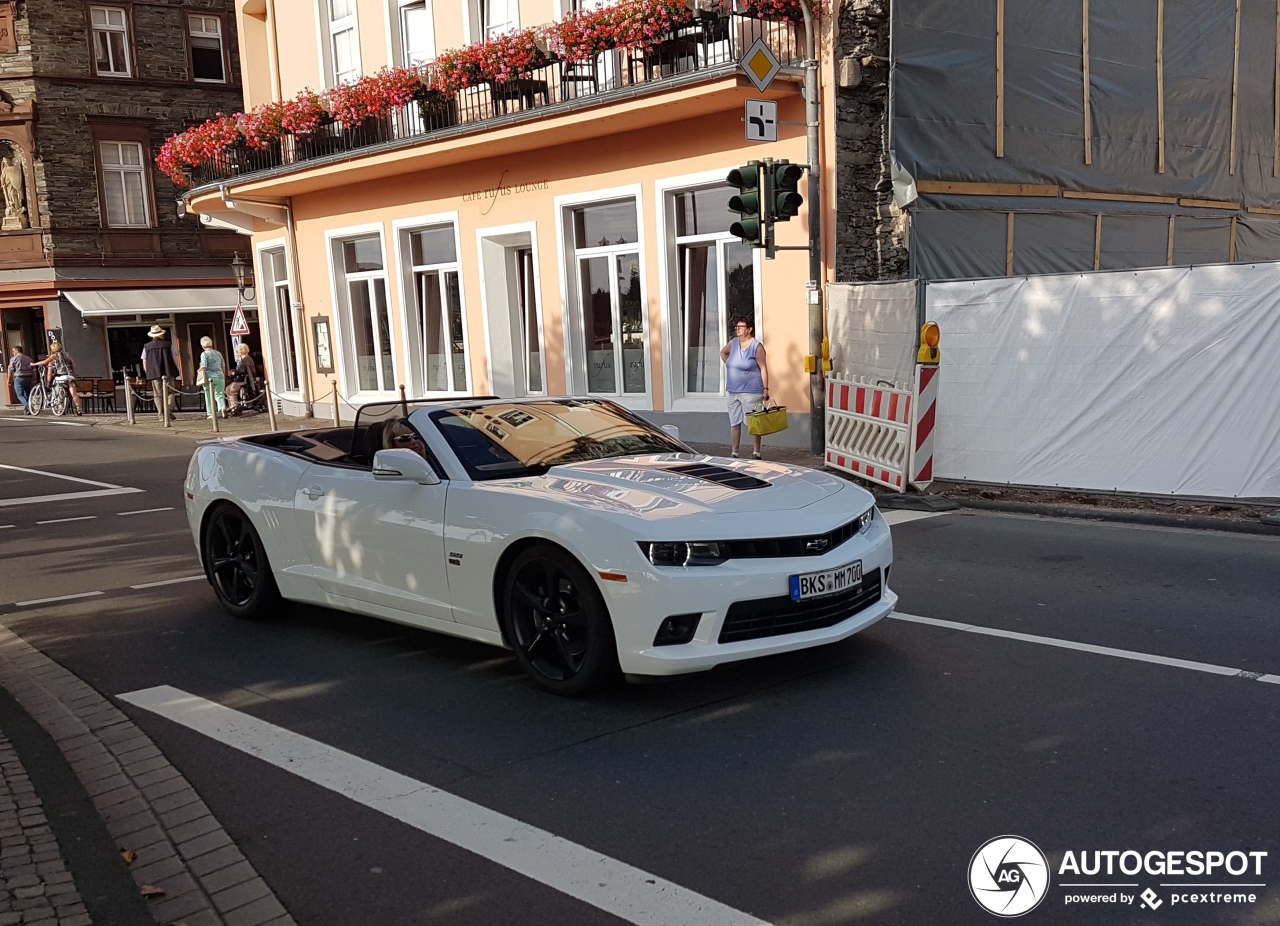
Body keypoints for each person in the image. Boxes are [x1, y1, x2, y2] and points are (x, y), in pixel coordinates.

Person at [720, 315, 770, 459]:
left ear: (749, 329)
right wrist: (730, 363)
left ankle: (756, 452)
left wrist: (766, 389)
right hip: (733, 390)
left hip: (751, 391)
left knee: (753, 423)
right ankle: (734, 452)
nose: (738, 330)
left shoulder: (756, 346)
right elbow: (723, 352)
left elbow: (763, 368)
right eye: (737, 327)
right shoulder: (733, 343)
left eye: (741, 327)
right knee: (734, 422)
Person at [31, 343, 84, 416]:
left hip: (61, 375)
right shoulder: (67, 354)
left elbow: (45, 362)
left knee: (58, 391)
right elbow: (74, 365)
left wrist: (33, 364)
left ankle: (61, 408)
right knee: (74, 394)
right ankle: (78, 409)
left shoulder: (55, 355)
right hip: (70, 375)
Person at [141, 325, 181, 418]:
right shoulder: (168, 344)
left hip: (154, 373)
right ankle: (169, 410)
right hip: (168, 371)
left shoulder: (146, 346)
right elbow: (175, 358)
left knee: (157, 394)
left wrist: (148, 371)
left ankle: (161, 414)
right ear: (161, 334)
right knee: (170, 392)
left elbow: (144, 360)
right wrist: (178, 369)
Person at [197, 336, 227, 418]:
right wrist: (223, 375)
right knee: (220, 394)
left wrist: (199, 370)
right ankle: (222, 408)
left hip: (209, 377)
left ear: (202, 346)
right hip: (220, 375)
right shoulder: (218, 353)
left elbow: (204, 365)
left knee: (208, 395)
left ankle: (211, 413)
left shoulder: (204, 354)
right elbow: (223, 365)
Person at [225, 343, 258, 415]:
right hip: (241, 378)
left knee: (232, 390)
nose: (237, 353)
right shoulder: (245, 359)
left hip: (244, 379)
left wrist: (234, 372)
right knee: (228, 389)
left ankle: (234, 407)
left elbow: (243, 370)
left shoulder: (246, 360)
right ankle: (233, 406)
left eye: (237, 352)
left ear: (240, 351)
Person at [6, 344, 35, 414]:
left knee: (19, 395)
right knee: (28, 394)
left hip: (19, 378)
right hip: (29, 377)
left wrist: (8, 380)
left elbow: (10, 369)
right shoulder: (29, 358)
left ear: (17, 350)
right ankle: (27, 410)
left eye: (13, 351)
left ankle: (28, 406)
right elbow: (34, 369)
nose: (13, 353)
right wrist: (35, 379)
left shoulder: (14, 358)